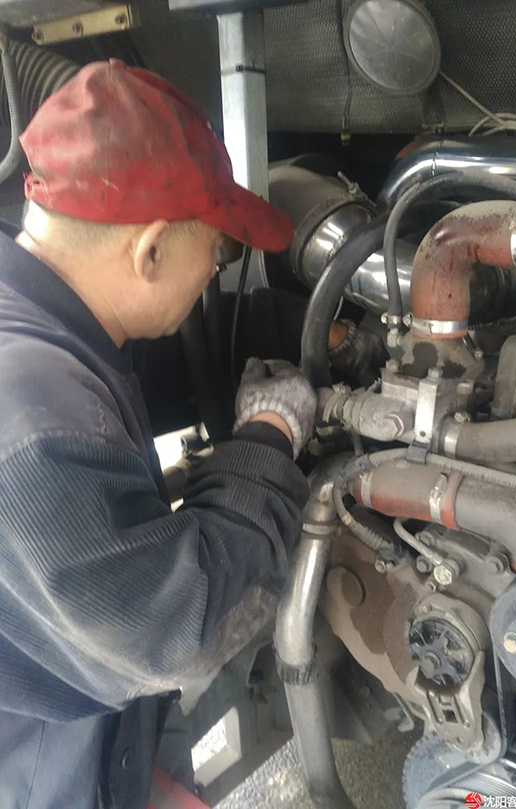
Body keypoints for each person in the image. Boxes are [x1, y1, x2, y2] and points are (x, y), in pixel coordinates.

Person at [0, 59, 318, 808]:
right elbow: (179, 631)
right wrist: (269, 436)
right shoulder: (39, 426)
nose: (215, 270)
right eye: (218, 250)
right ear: (149, 252)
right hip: (46, 763)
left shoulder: (37, 318)